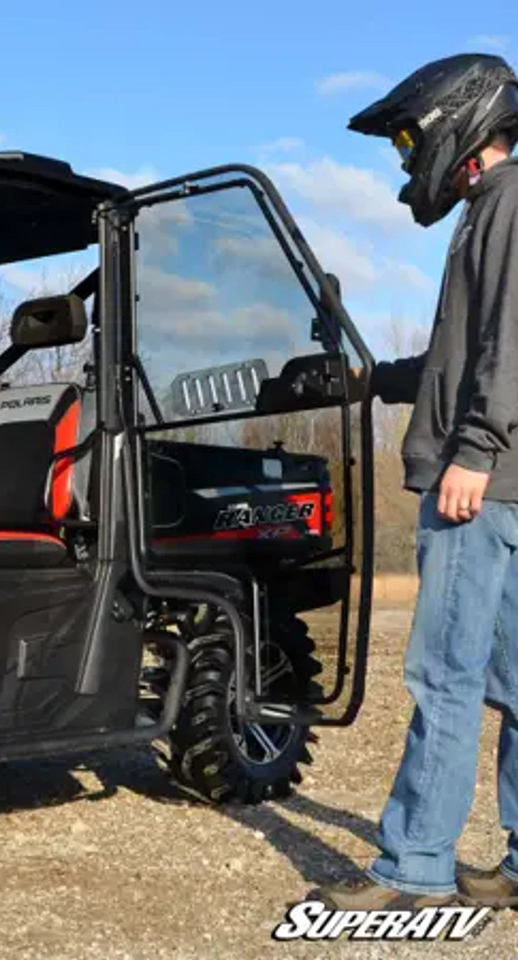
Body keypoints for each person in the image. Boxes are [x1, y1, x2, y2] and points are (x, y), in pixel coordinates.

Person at [316, 52, 518, 910]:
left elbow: (513, 341)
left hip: (481, 481)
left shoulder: (508, 205)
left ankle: (415, 871)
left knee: (443, 672)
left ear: (458, 123)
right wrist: (372, 379)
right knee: (513, 680)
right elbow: (462, 356)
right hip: (504, 479)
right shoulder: (493, 208)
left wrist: (474, 449)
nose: (407, 160)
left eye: (409, 139)